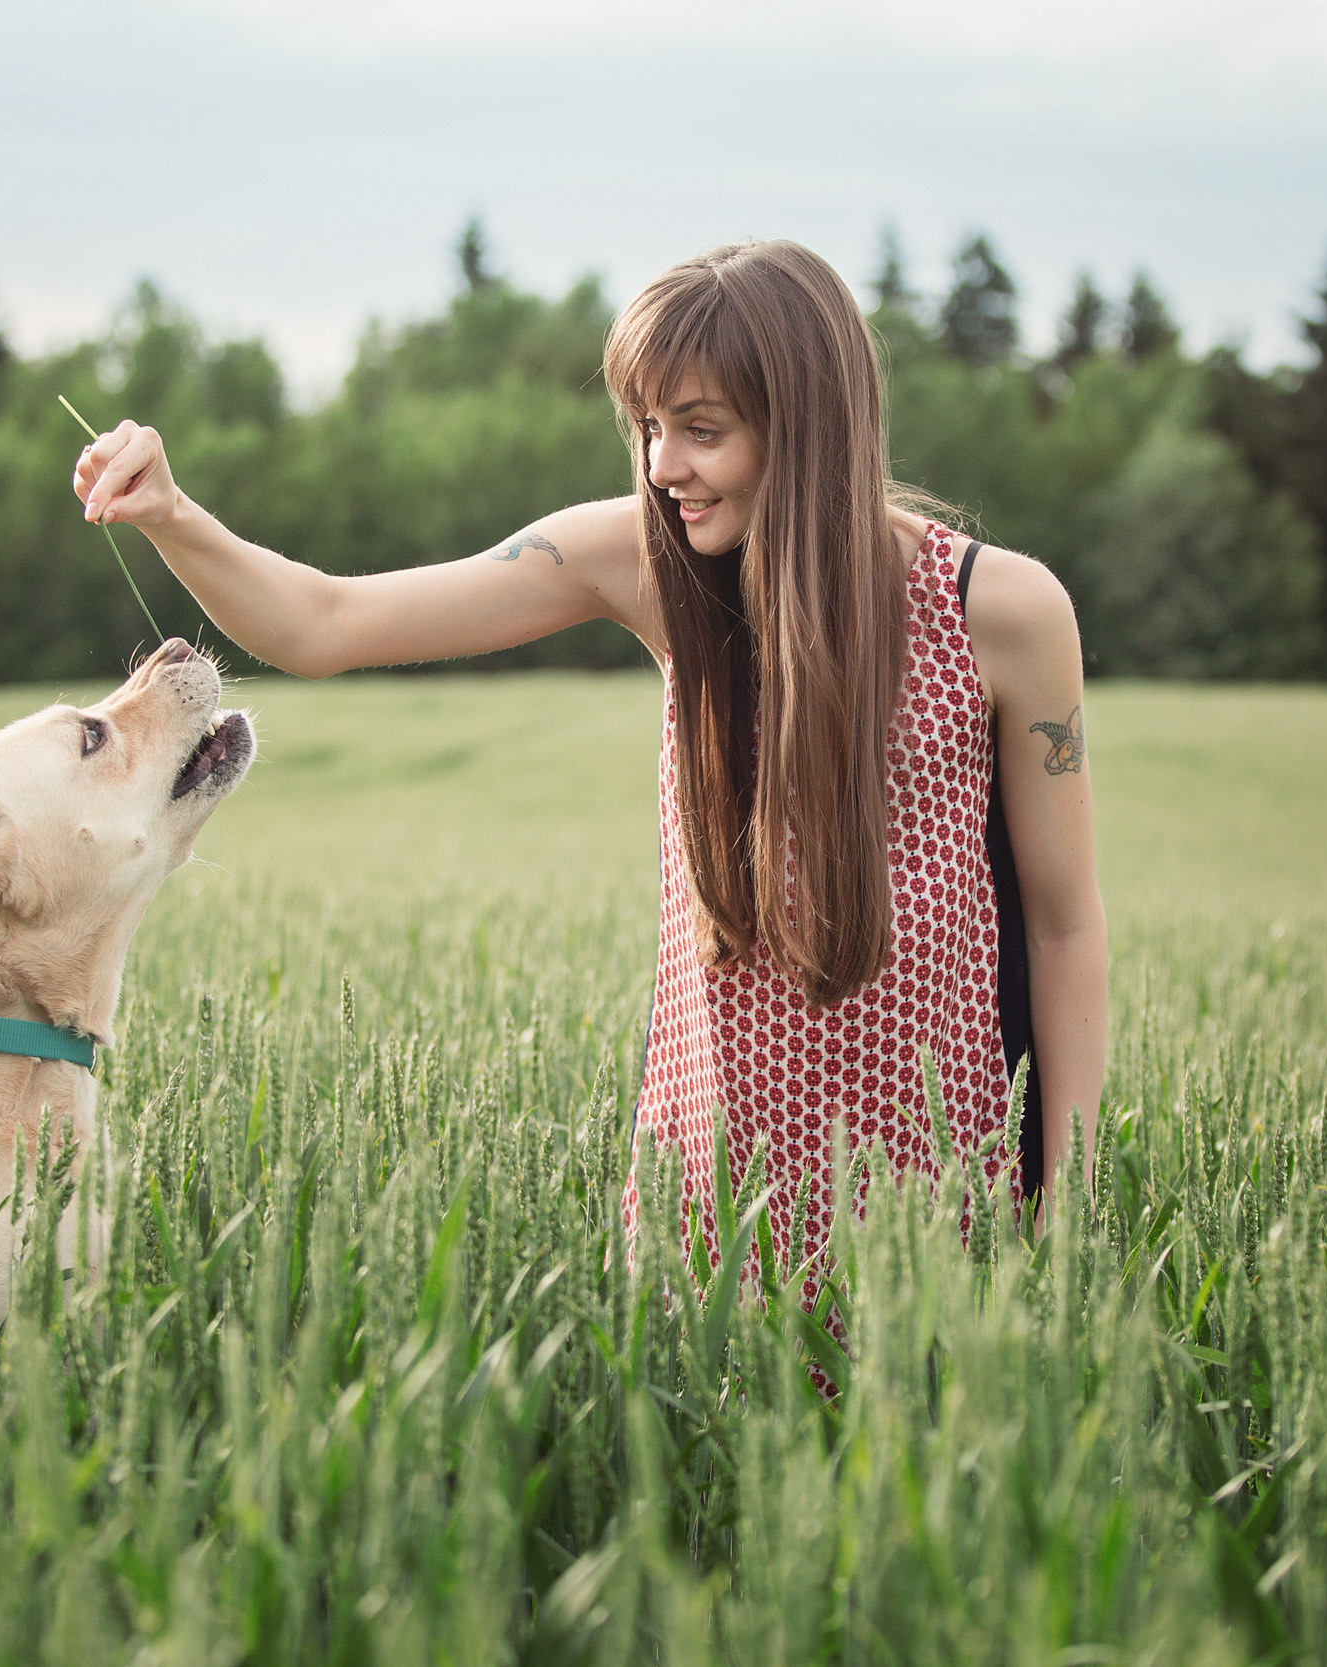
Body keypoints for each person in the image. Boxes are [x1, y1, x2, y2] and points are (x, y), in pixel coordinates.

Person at [73, 239, 1106, 1287]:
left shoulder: (1002, 612)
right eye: (649, 427)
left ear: (807, 425)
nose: (661, 467)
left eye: (701, 430)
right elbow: (323, 623)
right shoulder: (651, 564)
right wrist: (171, 514)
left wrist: (1070, 1208)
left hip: (945, 1205)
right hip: (710, 1208)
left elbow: (1063, 925)